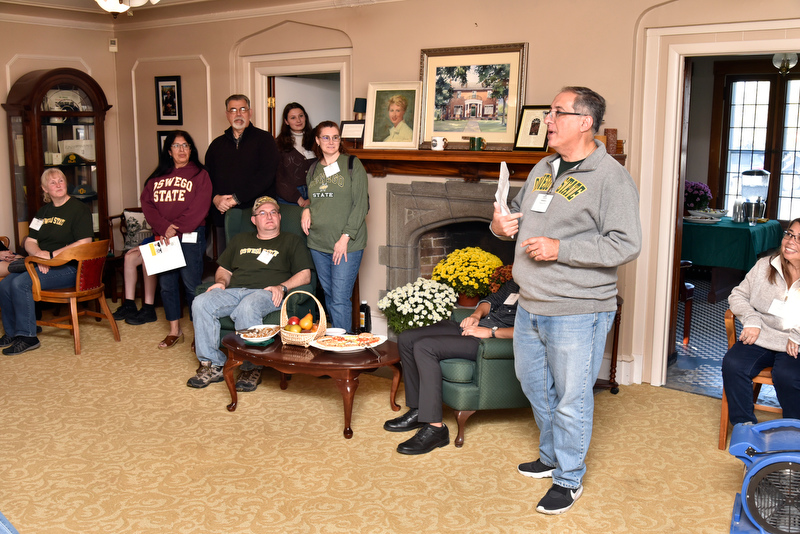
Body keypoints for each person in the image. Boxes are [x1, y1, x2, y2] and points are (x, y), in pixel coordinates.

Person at [491, 86, 642, 515]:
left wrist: (562, 249)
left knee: (571, 397)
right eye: (549, 111)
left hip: (579, 308)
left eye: (558, 112)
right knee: (533, 383)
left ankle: (569, 478)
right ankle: (552, 453)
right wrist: (501, 226)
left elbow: (626, 244)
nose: (548, 119)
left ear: (584, 122)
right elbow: (514, 217)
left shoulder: (610, 177)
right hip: (530, 302)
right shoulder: (544, 165)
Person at [188, 196, 313, 389]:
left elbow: (305, 275)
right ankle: (211, 365)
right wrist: (221, 282)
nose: (268, 216)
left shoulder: (292, 241)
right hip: (234, 291)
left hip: (267, 293)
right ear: (254, 220)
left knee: (249, 305)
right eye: (262, 213)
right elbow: (224, 269)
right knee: (201, 302)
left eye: (273, 212)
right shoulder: (240, 240)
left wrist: (282, 287)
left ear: (280, 217)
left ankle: (250, 367)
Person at [384, 280, 520, 455]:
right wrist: (476, 316)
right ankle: (419, 410)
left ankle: (436, 429)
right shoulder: (516, 282)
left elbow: (532, 329)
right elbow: (490, 301)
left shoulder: (541, 292)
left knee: (425, 346)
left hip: (489, 340)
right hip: (476, 328)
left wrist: (491, 332)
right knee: (406, 338)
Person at [0, 168, 93, 355]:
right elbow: (30, 241)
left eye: (61, 181)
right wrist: (39, 254)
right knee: (6, 284)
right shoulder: (42, 213)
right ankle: (12, 332)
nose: (58, 185)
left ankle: (28, 336)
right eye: (53, 182)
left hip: (70, 267)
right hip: (43, 264)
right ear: (45, 189)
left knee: (20, 283)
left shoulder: (79, 209)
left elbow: (85, 242)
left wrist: (51, 257)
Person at [722, 217, 800, 425]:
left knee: (787, 376)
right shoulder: (764, 266)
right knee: (733, 363)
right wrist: (752, 319)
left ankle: (795, 430)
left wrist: (798, 335)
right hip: (761, 335)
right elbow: (737, 296)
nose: (791, 241)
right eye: (790, 234)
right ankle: (745, 426)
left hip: (794, 344)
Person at [140, 130, 212, 350]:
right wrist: (164, 228)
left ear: (191, 149)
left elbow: (199, 207)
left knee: (191, 284)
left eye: (186, 145)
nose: (182, 150)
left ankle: (199, 332)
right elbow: (147, 204)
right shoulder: (156, 177)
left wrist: (175, 228)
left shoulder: (200, 175)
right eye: (176, 146)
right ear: (169, 151)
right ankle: (175, 330)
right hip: (163, 237)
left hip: (190, 236)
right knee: (167, 285)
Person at [301, 121, 368, 332]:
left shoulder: (352, 164)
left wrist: (344, 238)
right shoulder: (312, 169)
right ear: (317, 141)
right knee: (330, 296)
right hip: (318, 243)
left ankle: (343, 352)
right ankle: (338, 342)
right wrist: (306, 209)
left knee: (339, 298)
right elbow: (315, 199)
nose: (331, 142)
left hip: (346, 244)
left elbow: (362, 204)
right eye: (326, 137)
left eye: (335, 137)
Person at [205, 94, 279, 251]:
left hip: (255, 214)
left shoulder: (265, 140)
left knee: (254, 259)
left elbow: (266, 176)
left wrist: (236, 199)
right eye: (233, 110)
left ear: (250, 112)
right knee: (227, 261)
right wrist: (215, 198)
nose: (238, 114)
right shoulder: (216, 145)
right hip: (224, 213)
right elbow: (207, 179)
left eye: (242, 109)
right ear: (227, 114)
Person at [275, 102, 315, 208]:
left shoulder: (316, 140)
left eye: (301, 116)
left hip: (315, 195)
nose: (298, 120)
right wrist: (298, 198)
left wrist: (313, 197)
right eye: (293, 117)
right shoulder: (278, 144)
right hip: (289, 198)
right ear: (286, 121)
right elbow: (278, 176)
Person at [111, 239, 158, 325]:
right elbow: (156, 232)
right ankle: (129, 305)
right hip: (154, 242)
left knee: (148, 259)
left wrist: (146, 245)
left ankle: (149, 308)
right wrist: (144, 244)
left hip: (168, 243)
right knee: (129, 257)